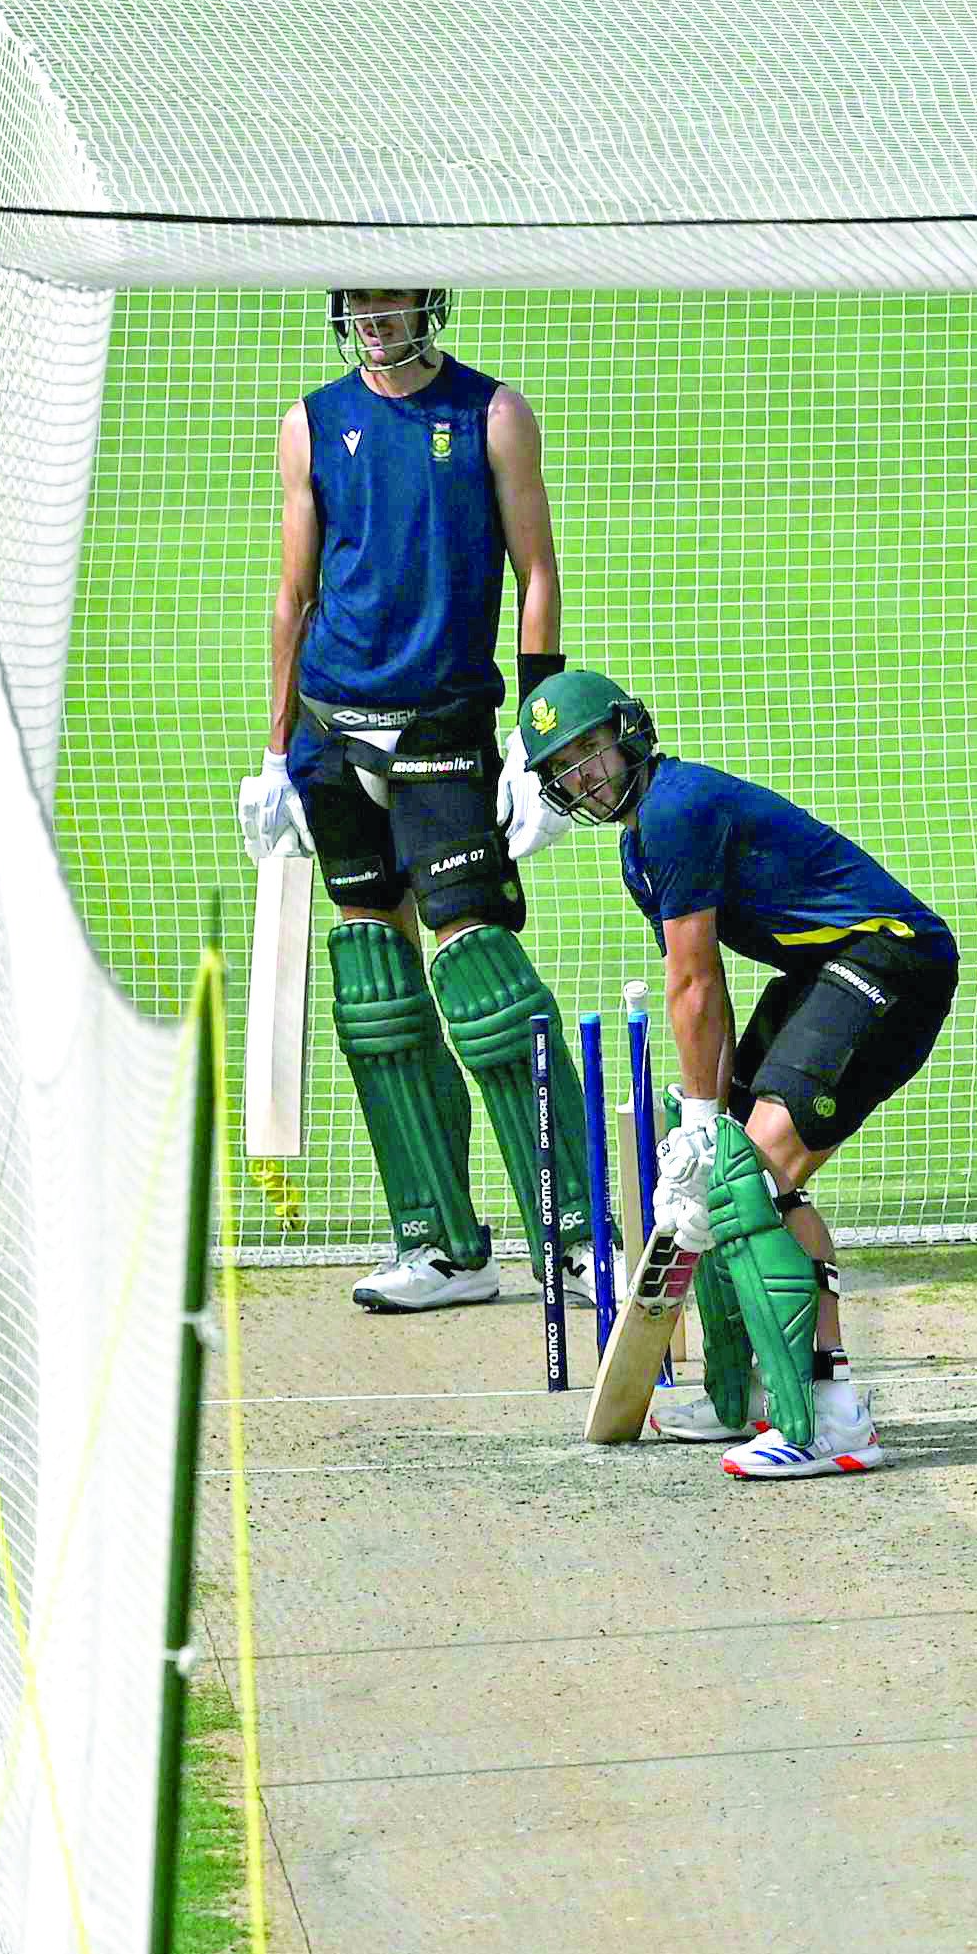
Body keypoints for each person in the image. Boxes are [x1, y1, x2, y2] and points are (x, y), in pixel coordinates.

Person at [523, 669, 959, 1481]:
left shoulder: (676, 810)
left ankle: (829, 1419)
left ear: (629, 732)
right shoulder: (639, 847)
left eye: (589, 749)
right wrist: (703, 1123)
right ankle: (746, 1394)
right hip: (821, 967)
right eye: (564, 767)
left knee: (743, 1178)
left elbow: (691, 984)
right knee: (731, 1170)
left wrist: (696, 1125)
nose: (583, 775)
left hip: (888, 958)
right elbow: (705, 992)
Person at [235, 282, 572, 1315]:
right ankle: (439, 1246)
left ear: (430, 300)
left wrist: (535, 736)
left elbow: (537, 570)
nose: (373, 315)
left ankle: (570, 1231)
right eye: (357, 299)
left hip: (441, 723)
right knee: (375, 991)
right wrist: (275, 751)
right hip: (336, 729)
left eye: (390, 296)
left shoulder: (491, 413)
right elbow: (293, 594)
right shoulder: (311, 419)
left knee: (480, 979)